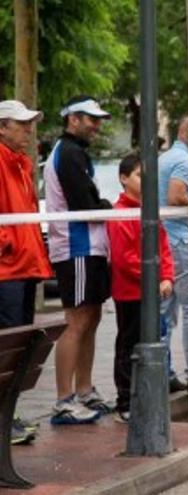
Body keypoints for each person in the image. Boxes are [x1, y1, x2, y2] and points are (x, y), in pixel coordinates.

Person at [45, 96, 114, 424]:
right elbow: (85, 202)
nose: (97, 125)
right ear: (72, 119)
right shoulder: (69, 154)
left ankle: (84, 390)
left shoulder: (76, 153)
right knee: (77, 321)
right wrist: (104, 205)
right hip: (76, 247)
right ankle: (63, 399)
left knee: (92, 317)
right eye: (91, 119)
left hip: (89, 247)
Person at [107, 155, 175, 423]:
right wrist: (156, 277)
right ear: (124, 179)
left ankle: (146, 396)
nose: (145, 181)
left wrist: (167, 275)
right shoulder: (119, 213)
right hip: (130, 292)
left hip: (153, 290)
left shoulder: (149, 210)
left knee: (154, 340)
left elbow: (164, 246)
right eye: (138, 175)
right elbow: (125, 259)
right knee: (129, 345)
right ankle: (125, 399)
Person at [0, 100, 52, 443]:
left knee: (17, 347)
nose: (29, 130)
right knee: (8, 345)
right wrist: (8, 244)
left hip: (24, 265)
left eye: (30, 124)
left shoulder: (21, 163)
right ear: (2, 127)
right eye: (22, 124)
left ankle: (8, 415)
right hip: (8, 269)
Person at [157, 115, 188, 393]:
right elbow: (175, 196)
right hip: (180, 239)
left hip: (166, 239)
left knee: (166, 311)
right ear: (187, 131)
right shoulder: (185, 161)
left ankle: (162, 372)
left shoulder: (168, 157)